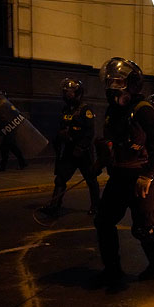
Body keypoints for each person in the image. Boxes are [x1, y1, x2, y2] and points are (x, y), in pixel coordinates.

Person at [93, 57, 154, 286]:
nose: (113, 85)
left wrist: (149, 175)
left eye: (118, 81)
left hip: (141, 176)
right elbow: (112, 141)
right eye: (110, 80)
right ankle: (112, 269)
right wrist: (100, 162)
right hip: (119, 175)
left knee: (143, 227)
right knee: (103, 221)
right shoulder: (112, 111)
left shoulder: (144, 110)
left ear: (132, 83)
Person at [40, 78, 100, 217]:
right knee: (60, 178)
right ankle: (54, 205)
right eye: (65, 91)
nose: (67, 94)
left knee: (91, 179)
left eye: (70, 92)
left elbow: (90, 132)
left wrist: (81, 146)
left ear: (78, 93)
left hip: (83, 152)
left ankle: (96, 206)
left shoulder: (86, 109)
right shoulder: (66, 109)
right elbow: (62, 126)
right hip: (69, 150)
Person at [0, 89, 27, 172]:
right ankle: (22, 162)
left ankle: (3, 166)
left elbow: (9, 116)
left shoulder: (3, 105)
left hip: (10, 129)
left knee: (4, 148)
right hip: (7, 129)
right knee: (12, 147)